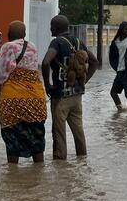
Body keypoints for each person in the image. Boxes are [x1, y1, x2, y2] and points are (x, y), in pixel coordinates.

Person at [41, 15, 99, 160]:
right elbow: (94, 62)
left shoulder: (57, 42)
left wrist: (47, 85)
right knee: (78, 131)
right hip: (77, 96)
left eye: (51, 26)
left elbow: (45, 62)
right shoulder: (79, 42)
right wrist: (84, 82)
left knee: (59, 133)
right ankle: (82, 161)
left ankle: (60, 165)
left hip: (61, 97)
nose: (50, 29)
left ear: (56, 27)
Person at [0, 21, 47, 164]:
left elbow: (0, 74)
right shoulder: (32, 47)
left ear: (8, 34)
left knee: (12, 142)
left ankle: (12, 174)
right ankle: (39, 173)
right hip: (36, 100)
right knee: (37, 142)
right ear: (24, 34)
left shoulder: (7, 47)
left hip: (12, 101)